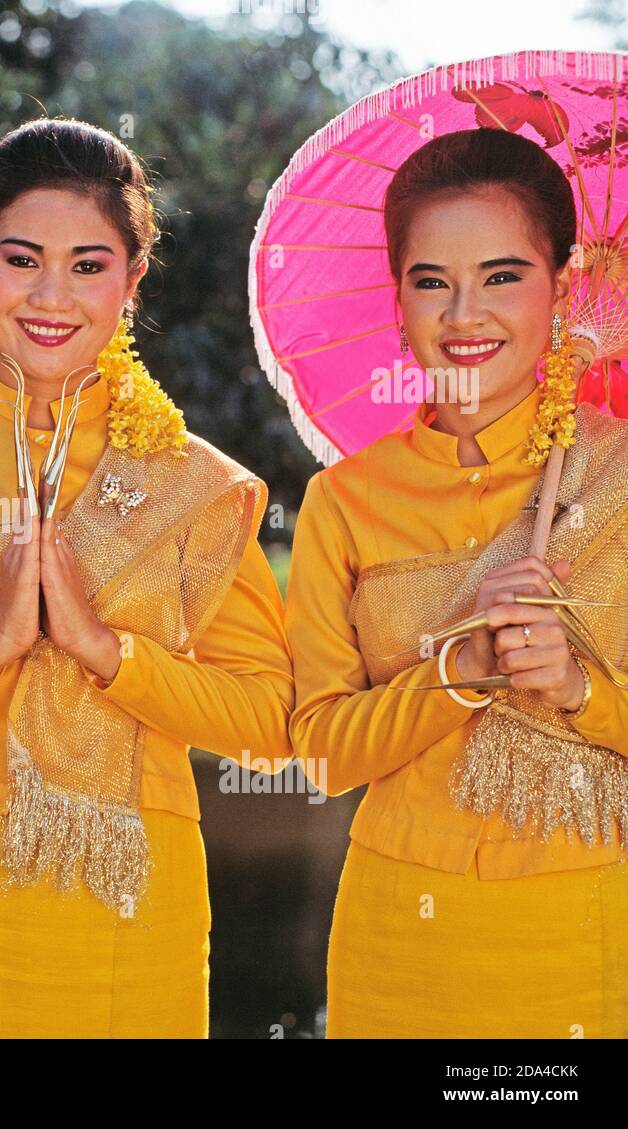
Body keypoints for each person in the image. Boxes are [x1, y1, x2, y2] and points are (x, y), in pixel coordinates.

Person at [0, 118, 293, 1038]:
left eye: (89, 264)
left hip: (129, 900)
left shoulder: (200, 483)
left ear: (132, 281)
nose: (51, 295)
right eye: (21, 258)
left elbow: (269, 726)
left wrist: (106, 650)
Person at [286, 129, 628, 1037]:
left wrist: (579, 688)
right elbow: (320, 751)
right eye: (431, 280)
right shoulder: (345, 501)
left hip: (590, 929)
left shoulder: (621, 472)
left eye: (504, 276)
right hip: (401, 942)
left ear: (563, 281)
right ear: (396, 299)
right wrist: (456, 670)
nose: (464, 314)